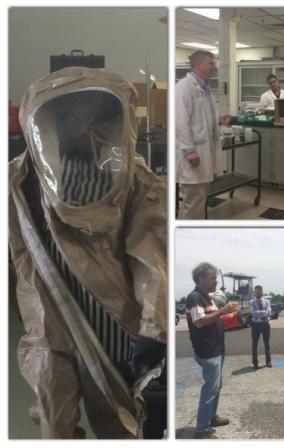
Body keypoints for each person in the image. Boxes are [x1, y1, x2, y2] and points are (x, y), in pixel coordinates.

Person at [9, 67, 167, 438]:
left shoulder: (133, 178)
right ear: (39, 118)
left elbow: (149, 256)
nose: (72, 121)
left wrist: (153, 328)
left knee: (119, 424)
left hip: (110, 326)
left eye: (82, 110)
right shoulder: (16, 182)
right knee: (54, 420)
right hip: (48, 324)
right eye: (62, 113)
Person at [176, 50, 232, 219]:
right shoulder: (183, 88)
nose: (214, 67)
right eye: (211, 63)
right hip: (193, 155)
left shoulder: (205, 89)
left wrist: (218, 120)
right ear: (198, 65)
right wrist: (189, 150)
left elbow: (201, 118)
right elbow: (179, 122)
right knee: (192, 202)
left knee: (199, 199)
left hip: (203, 153)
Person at [185, 262, 237, 439]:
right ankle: (202, 429)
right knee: (210, 388)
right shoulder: (195, 297)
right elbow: (199, 321)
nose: (216, 281)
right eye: (213, 277)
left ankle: (211, 417)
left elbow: (213, 319)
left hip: (216, 349)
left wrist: (229, 316)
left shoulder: (207, 297)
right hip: (208, 351)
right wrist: (223, 310)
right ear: (201, 278)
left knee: (216, 386)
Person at [250, 285, 272, 369]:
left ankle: (268, 361)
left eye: (260, 291)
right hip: (255, 325)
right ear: (255, 292)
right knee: (254, 344)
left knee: (267, 344)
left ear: (262, 291)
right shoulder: (252, 302)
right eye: (257, 291)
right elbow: (253, 312)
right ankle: (255, 363)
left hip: (265, 324)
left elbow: (269, 312)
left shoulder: (267, 301)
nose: (258, 292)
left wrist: (260, 313)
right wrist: (263, 312)